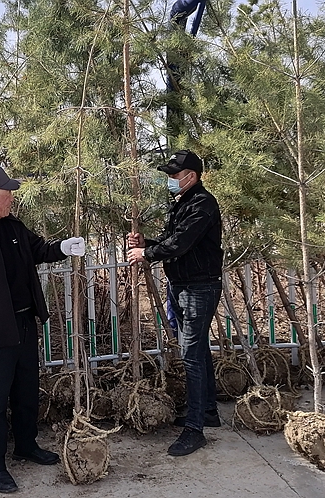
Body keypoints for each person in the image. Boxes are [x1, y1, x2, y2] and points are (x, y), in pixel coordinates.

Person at [0, 164, 85, 494]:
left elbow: (37, 249)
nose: (12, 198)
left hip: (23, 322)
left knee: (26, 389)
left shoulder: (13, 226)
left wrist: (63, 248)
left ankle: (26, 444)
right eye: (7, 193)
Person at [127, 150, 223, 457]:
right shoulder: (183, 202)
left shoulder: (202, 204)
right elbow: (172, 239)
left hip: (199, 287)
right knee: (198, 350)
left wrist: (146, 254)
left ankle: (195, 429)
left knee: (191, 355)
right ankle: (207, 411)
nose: (169, 180)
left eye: (174, 175)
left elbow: (182, 242)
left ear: (191, 176)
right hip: (183, 285)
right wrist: (147, 244)